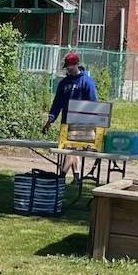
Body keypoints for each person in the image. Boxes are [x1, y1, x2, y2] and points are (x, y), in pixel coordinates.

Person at [41, 51, 98, 181]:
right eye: (67, 67)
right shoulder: (64, 83)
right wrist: (50, 120)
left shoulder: (86, 82)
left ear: (76, 64)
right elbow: (57, 104)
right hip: (65, 122)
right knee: (71, 150)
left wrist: (92, 125)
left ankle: (61, 176)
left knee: (70, 149)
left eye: (70, 66)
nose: (68, 69)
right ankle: (77, 178)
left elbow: (93, 104)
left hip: (80, 124)